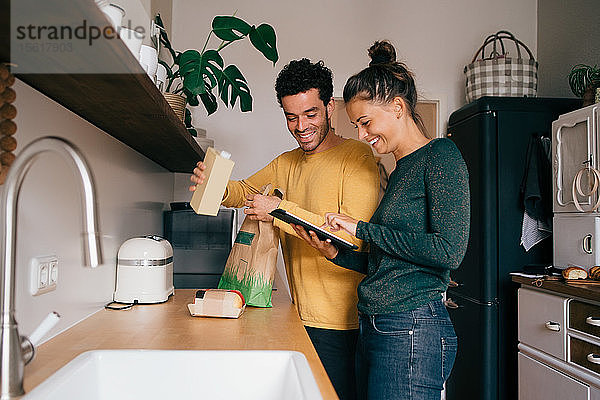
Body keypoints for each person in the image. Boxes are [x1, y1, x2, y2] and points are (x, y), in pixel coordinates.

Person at [189, 58, 380, 400]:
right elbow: (245, 191)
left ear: (329, 108)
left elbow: (353, 237)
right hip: (300, 316)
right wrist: (214, 184)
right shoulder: (286, 162)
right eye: (291, 116)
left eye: (310, 114)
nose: (301, 125)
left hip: (344, 325)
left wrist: (278, 209)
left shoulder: (358, 157)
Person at [290, 41, 470, 400]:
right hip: (379, 324)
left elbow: (449, 251)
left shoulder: (441, 155)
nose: (361, 135)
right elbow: (390, 262)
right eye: (356, 125)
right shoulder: (400, 169)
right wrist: (336, 254)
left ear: (398, 107)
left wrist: (362, 229)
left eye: (366, 122)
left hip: (412, 325)